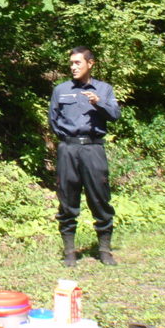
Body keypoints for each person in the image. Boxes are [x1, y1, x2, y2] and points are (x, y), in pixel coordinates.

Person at [48, 47, 121, 267]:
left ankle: (104, 249)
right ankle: (70, 251)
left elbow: (115, 115)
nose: (73, 67)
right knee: (67, 197)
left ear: (90, 64)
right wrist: (67, 142)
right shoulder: (61, 90)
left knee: (100, 196)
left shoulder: (104, 89)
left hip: (93, 149)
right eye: (71, 63)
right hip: (68, 149)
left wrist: (98, 102)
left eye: (78, 63)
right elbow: (53, 119)